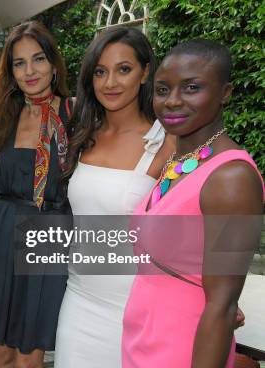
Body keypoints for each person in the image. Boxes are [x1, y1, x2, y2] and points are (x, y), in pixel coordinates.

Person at [122, 39, 263, 367]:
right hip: (142, 340)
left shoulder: (232, 179)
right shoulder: (182, 160)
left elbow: (223, 306)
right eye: (162, 89)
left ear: (225, 92)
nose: (172, 101)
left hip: (185, 348)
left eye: (191, 88)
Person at [53, 27, 173, 367]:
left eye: (124, 69)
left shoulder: (167, 143)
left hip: (138, 307)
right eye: (100, 72)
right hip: (79, 299)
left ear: (145, 71)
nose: (110, 83)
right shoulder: (83, 133)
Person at [0, 21, 73, 368]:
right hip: (3, 229)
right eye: (19, 62)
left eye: (38, 59)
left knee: (30, 354)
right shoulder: (4, 115)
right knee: (0, 351)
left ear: (53, 64)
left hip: (48, 229)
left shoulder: (78, 114)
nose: (30, 71)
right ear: (10, 70)